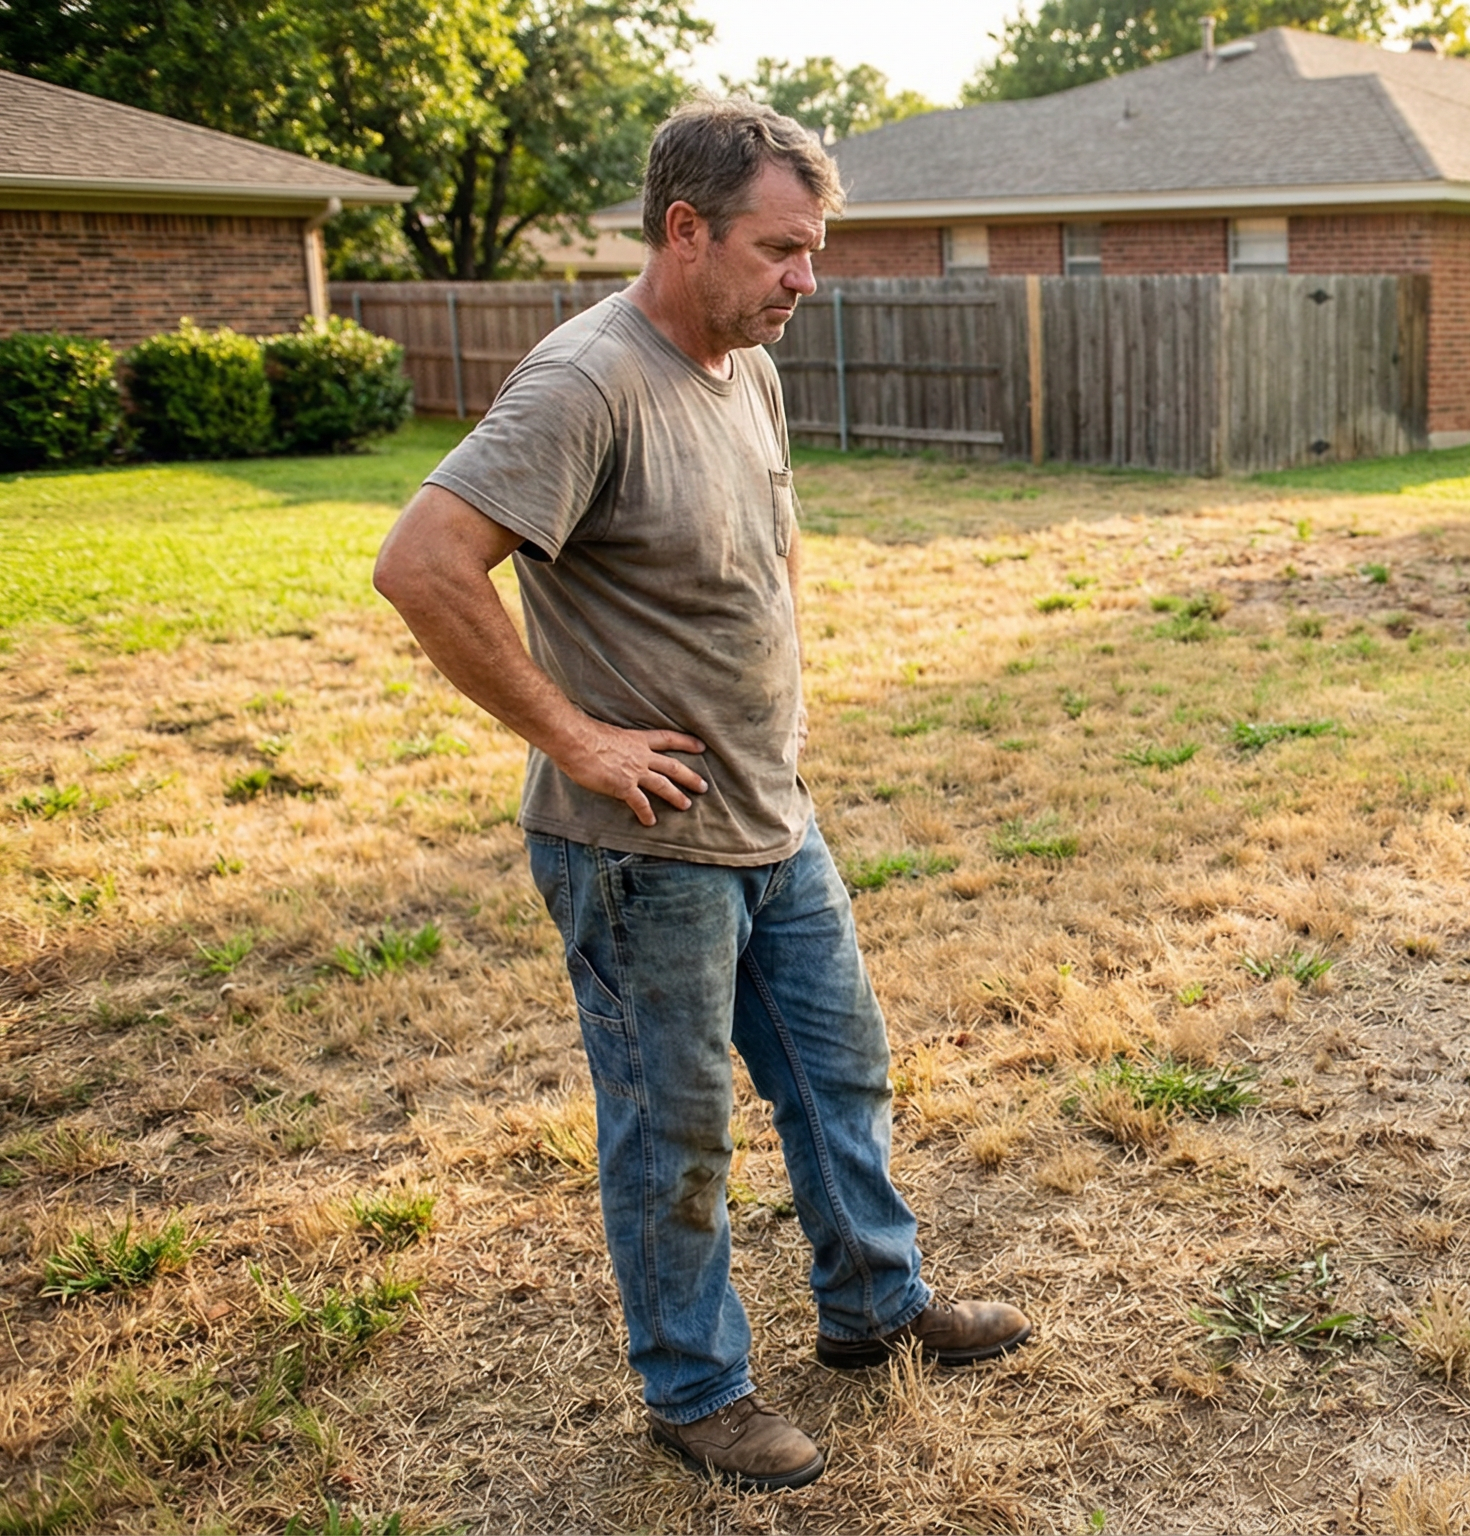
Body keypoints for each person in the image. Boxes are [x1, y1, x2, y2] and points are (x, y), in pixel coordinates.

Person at [371, 97, 1031, 1494]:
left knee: (838, 1072)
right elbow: (423, 564)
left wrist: (780, 708)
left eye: (814, 249)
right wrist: (584, 741)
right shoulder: (585, 381)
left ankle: (874, 1308)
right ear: (687, 230)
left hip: (771, 817)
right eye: (783, 248)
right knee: (674, 1126)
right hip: (644, 849)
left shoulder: (745, 363)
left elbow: (773, 541)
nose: (808, 278)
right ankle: (698, 1389)